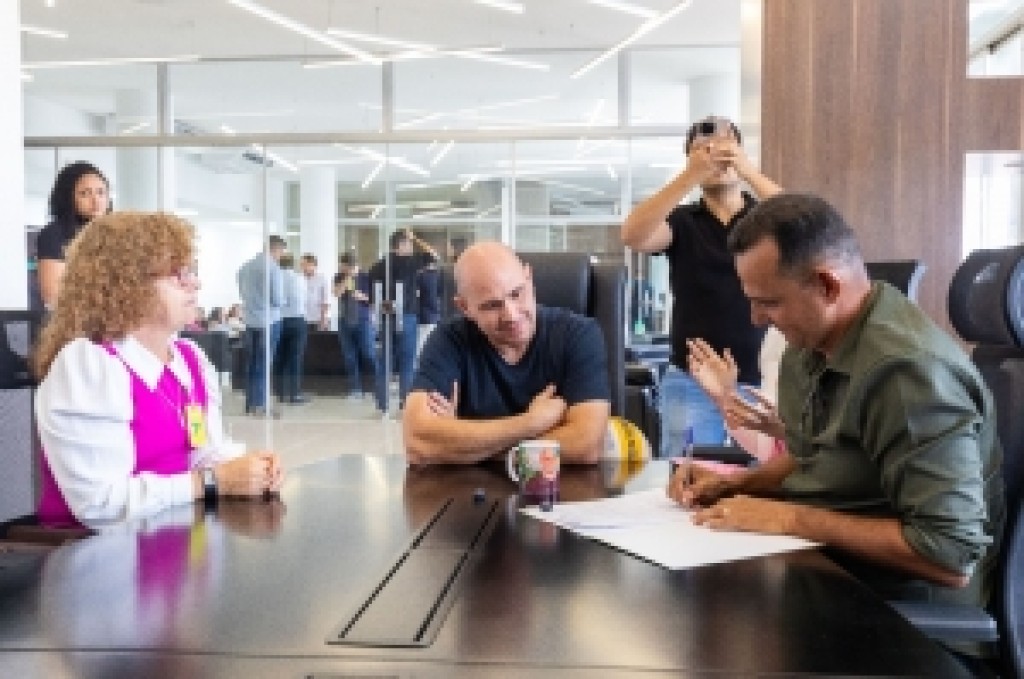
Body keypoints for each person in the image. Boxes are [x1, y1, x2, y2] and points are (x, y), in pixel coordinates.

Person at [667, 193, 1005, 610]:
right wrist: (739, 485)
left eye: (769, 302)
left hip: (899, 612)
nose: (755, 319)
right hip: (825, 574)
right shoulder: (810, 345)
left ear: (827, 286)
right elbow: (812, 452)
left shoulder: (908, 374)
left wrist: (791, 518)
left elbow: (950, 553)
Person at [32, 212, 284, 527]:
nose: (195, 283)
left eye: (191, 271)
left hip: (177, 541)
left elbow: (201, 450)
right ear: (128, 285)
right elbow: (101, 504)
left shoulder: (189, 359)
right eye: (179, 274)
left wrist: (252, 469)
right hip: (98, 551)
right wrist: (211, 481)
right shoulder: (88, 365)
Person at [621, 116, 783, 452]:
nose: (716, 156)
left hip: (761, 379)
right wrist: (690, 175)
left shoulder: (765, 218)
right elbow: (633, 235)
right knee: (688, 471)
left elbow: (806, 223)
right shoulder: (682, 221)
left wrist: (748, 171)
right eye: (704, 150)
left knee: (765, 472)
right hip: (691, 380)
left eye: (726, 147)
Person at [403, 242, 610, 465]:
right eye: (492, 305)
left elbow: (585, 446)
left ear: (529, 278)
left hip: (561, 485)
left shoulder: (578, 334)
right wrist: (531, 423)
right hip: (467, 486)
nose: (511, 315)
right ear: (465, 307)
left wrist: (460, 446)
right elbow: (418, 443)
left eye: (516, 293)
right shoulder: (448, 339)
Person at [367, 228, 439, 414]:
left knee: (385, 361)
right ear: (401, 245)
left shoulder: (377, 266)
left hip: (385, 317)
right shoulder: (410, 262)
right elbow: (433, 254)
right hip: (407, 316)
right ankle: (405, 403)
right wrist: (416, 237)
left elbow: (371, 297)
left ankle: (382, 404)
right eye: (409, 243)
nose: (411, 247)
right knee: (408, 361)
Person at [35, 161, 112, 310]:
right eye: (85, 193)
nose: (96, 200)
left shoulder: (115, 232)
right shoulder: (54, 234)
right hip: (73, 318)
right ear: (68, 198)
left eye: (101, 192)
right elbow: (53, 296)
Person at [236, 235, 286, 416]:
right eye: (281, 252)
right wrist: (284, 301)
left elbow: (242, 293)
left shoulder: (245, 267)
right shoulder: (273, 268)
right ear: (276, 249)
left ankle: (251, 403)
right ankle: (261, 405)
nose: (280, 256)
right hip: (269, 321)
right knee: (264, 364)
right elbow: (277, 299)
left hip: (250, 321)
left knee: (252, 363)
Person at [334, 252, 376, 400]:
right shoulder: (339, 277)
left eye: (344, 267)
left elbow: (374, 300)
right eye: (342, 267)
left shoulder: (366, 277)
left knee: (368, 354)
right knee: (349, 356)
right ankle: (355, 389)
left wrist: (362, 296)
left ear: (352, 265)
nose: (342, 269)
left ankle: (375, 386)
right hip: (345, 320)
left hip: (363, 320)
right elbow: (337, 294)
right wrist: (345, 280)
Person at [273, 253, 309, 405]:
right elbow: (304, 299)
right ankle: (295, 394)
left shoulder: (275, 278)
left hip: (279, 320)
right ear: (293, 264)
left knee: (279, 358)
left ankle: (280, 393)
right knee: (295, 358)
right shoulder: (300, 278)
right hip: (297, 320)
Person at [300, 254, 329, 332]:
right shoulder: (299, 278)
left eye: (305, 264)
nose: (302, 267)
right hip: (302, 319)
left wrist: (323, 319)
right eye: (301, 265)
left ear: (313, 265)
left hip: (317, 319)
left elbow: (325, 300)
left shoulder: (322, 279)